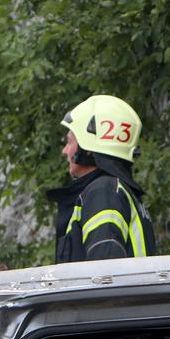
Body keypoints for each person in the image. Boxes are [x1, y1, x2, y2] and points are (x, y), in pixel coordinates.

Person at [47, 94, 155, 263]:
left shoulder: (104, 192)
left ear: (87, 149)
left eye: (70, 142)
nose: (65, 151)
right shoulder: (117, 191)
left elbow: (105, 275)